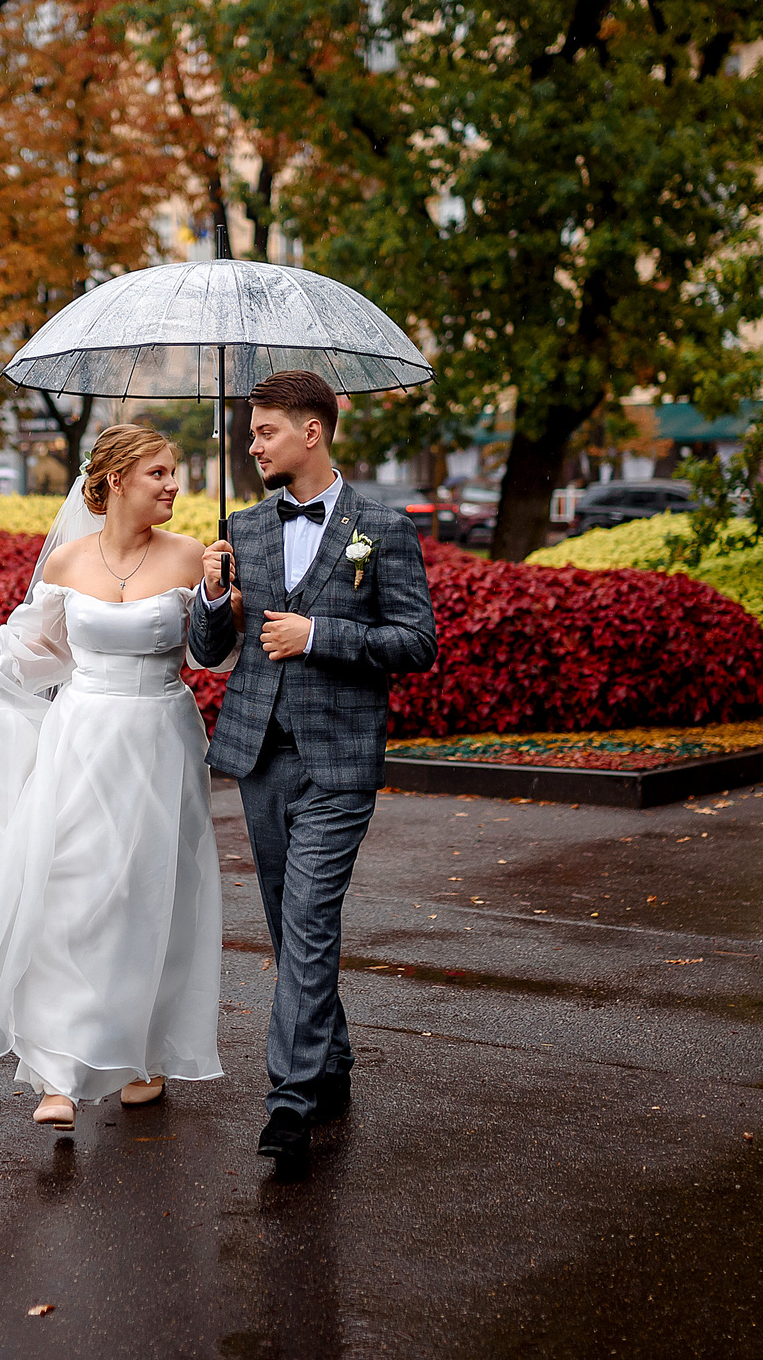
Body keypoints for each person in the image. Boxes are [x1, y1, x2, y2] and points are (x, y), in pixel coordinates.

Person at [0, 424, 224, 1127]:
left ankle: (142, 1052)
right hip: (81, 740)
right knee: (69, 891)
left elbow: (217, 658)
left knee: (151, 893)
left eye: (174, 472)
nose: (173, 484)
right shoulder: (68, 563)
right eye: (158, 472)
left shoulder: (191, 557)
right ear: (115, 480)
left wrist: (215, 597)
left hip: (163, 742)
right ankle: (57, 1071)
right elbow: (39, 654)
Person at [189, 370, 438, 1168]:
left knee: (307, 921)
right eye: (252, 430)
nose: (253, 443)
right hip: (260, 755)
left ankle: (290, 1099)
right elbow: (210, 651)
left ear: (312, 432)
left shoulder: (384, 528)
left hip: (339, 761)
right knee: (285, 921)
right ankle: (329, 1060)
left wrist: (320, 633)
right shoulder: (246, 527)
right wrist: (209, 593)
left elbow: (416, 642)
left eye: (264, 430)